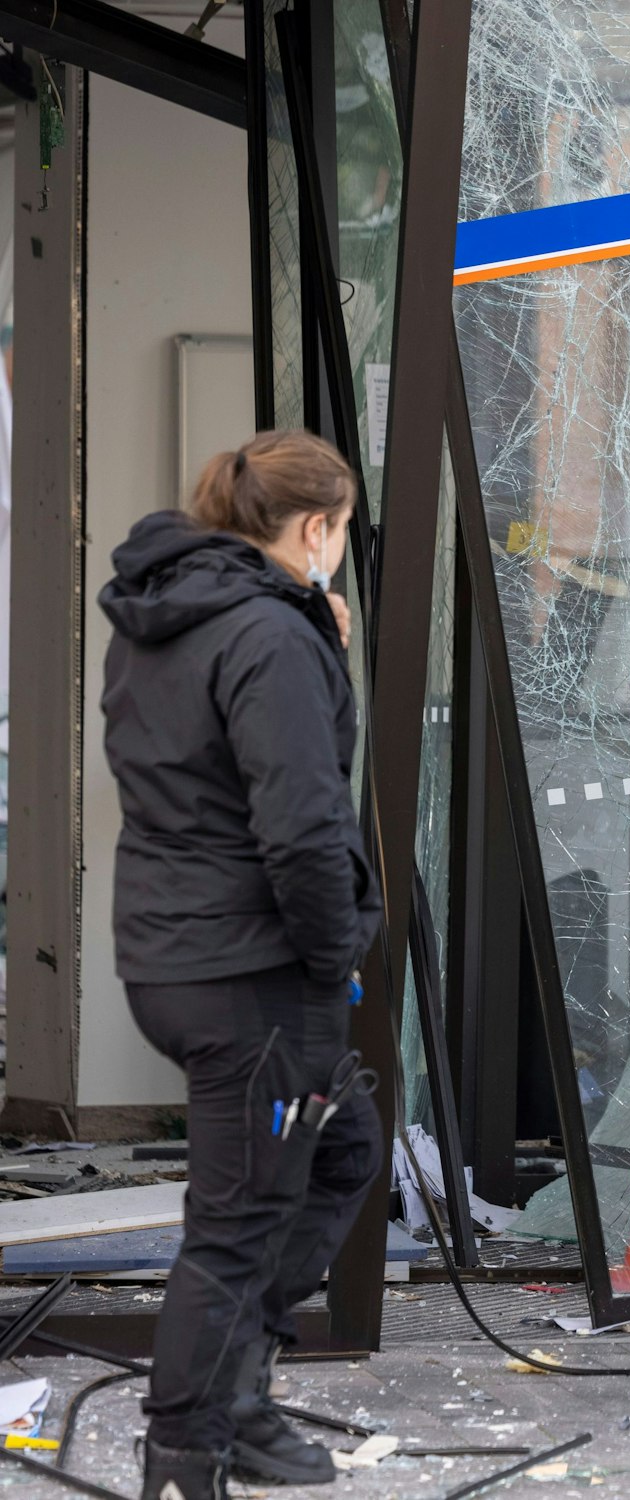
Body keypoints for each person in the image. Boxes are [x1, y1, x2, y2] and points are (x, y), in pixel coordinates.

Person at [100, 431, 384, 1500]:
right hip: (252, 971)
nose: (340, 553)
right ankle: (187, 1448)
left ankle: (243, 1398)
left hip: (177, 956)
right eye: (343, 532)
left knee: (345, 1148)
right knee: (237, 1223)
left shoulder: (169, 620)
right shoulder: (266, 636)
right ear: (314, 528)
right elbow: (303, 825)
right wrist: (332, 951)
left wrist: (321, 642)